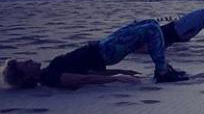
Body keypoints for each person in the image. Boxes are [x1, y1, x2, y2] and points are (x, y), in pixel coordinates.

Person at [2, 19, 189, 89]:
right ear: (27, 77)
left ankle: (162, 69)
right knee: (151, 29)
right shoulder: (52, 76)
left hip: (102, 47)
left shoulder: (50, 69)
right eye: (24, 64)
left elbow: (89, 71)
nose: (28, 60)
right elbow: (83, 80)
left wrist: (123, 72)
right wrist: (116, 78)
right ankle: (162, 72)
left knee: (150, 23)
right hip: (106, 52)